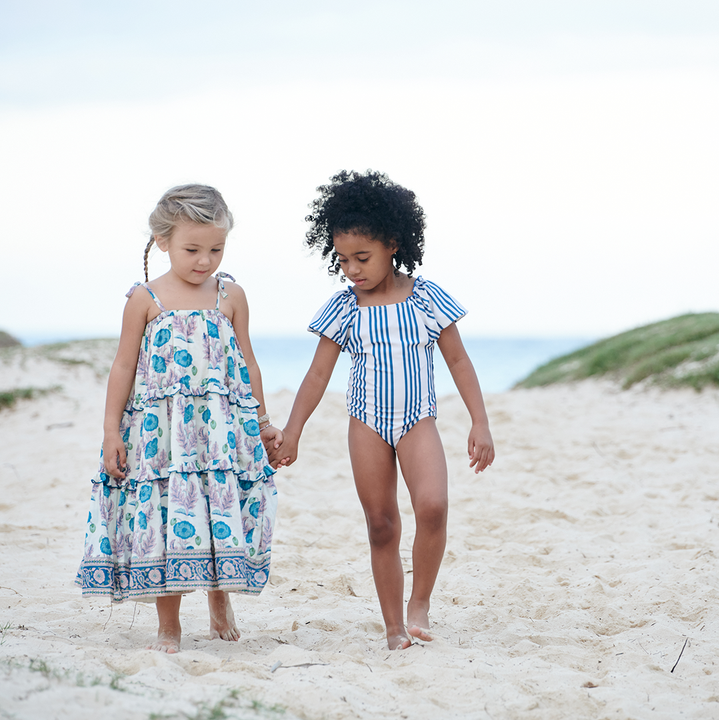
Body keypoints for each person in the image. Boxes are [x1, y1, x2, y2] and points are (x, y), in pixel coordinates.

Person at [269, 170, 494, 650]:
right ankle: (394, 627)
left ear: (394, 243)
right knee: (381, 523)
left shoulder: (427, 298)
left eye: (362, 258)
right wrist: (293, 430)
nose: (352, 269)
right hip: (366, 424)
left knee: (433, 507)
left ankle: (420, 603)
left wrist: (480, 421)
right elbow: (316, 376)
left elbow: (458, 359)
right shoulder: (344, 308)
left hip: (418, 420)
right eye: (343, 259)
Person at [77, 184, 280, 653]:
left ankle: (219, 599)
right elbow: (123, 366)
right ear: (163, 240)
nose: (205, 260)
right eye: (193, 249)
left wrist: (263, 421)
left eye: (216, 248)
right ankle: (169, 625)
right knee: (165, 518)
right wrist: (111, 431)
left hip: (222, 432)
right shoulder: (145, 298)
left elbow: (247, 362)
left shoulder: (231, 295)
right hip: (160, 435)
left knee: (218, 512)